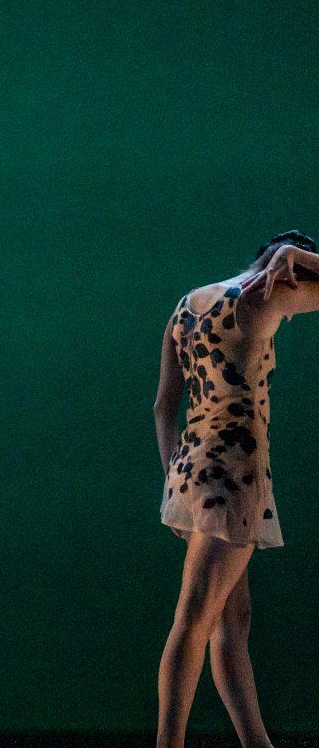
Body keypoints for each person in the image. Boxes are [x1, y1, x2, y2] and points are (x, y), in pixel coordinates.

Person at [154, 229, 319, 748]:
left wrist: (175, 486)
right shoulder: (264, 294)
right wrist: (301, 258)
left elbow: (163, 408)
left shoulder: (188, 304)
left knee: (233, 625)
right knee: (195, 614)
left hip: (189, 471)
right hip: (233, 476)